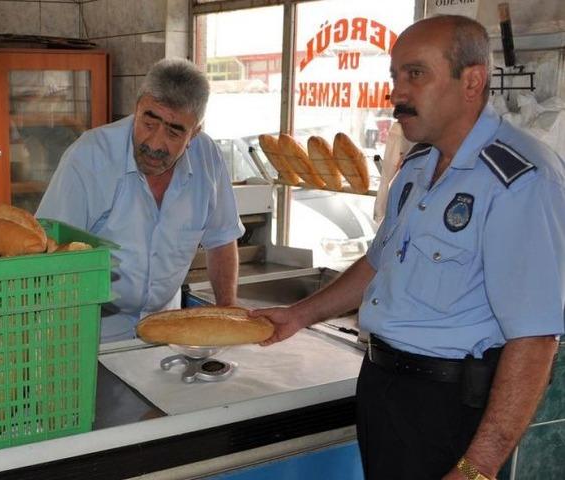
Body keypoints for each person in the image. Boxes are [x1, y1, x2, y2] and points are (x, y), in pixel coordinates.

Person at [252, 15, 563, 480]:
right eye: (394, 76)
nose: (397, 92)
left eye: (415, 74)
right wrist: (299, 315)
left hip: (450, 407)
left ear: (472, 81)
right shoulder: (418, 164)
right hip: (384, 387)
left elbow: (536, 339)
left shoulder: (519, 181)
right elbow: (378, 264)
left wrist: (477, 468)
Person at [37, 58, 244, 343]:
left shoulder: (208, 159)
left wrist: (227, 313)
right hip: (94, 335)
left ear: (194, 132)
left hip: (166, 332)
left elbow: (221, 239)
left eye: (174, 132)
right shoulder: (89, 157)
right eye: (149, 121)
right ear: (136, 108)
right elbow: (49, 250)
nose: (156, 144)